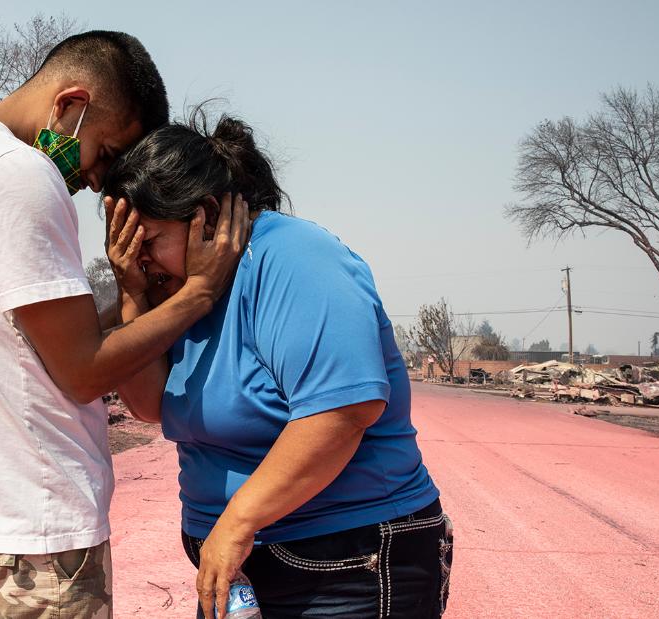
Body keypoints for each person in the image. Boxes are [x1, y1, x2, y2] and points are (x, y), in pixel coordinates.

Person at [0, 33, 250, 618]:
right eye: (108, 153)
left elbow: (34, 345)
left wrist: (133, 293)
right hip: (35, 538)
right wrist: (199, 292)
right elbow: (84, 372)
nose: (95, 180)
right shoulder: (18, 175)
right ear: (71, 104)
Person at [102, 112, 453, 619]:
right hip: (242, 568)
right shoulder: (186, 291)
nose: (139, 258)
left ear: (202, 215)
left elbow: (341, 412)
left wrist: (235, 523)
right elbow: (150, 405)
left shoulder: (294, 257)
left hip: (346, 563)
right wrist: (132, 292)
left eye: (148, 241)